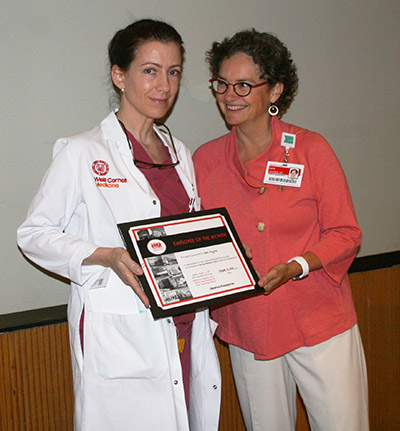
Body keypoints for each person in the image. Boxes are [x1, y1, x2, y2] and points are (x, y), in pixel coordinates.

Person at [17, 19, 220, 431]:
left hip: (183, 326)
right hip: (123, 333)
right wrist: (106, 256)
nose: (163, 85)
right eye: (150, 70)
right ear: (119, 75)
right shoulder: (81, 151)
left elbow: (182, 235)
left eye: (174, 72)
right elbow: (34, 234)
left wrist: (221, 253)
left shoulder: (178, 150)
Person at [193, 29, 369, 431]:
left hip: (318, 320)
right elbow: (198, 236)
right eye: (221, 83)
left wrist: (297, 266)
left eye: (243, 85)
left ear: (274, 91)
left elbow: (346, 233)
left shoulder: (310, 149)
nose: (229, 95)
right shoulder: (203, 160)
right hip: (250, 322)